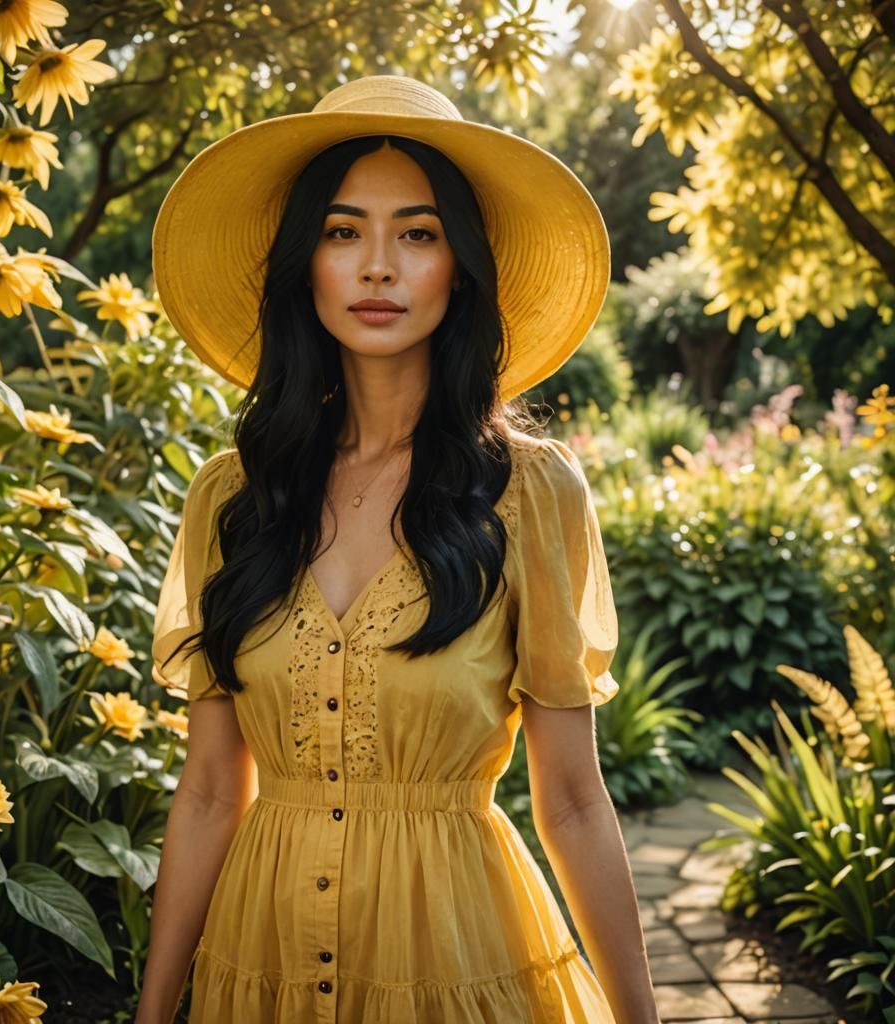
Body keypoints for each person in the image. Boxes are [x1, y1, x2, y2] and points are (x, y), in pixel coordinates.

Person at [136, 74, 660, 1024]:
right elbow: (212, 790)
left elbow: (574, 800)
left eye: (417, 234)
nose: (378, 266)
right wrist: (152, 1010)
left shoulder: (532, 494)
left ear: (461, 265)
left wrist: (641, 1018)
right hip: (261, 968)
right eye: (343, 232)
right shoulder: (232, 498)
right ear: (307, 265)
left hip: (461, 959)